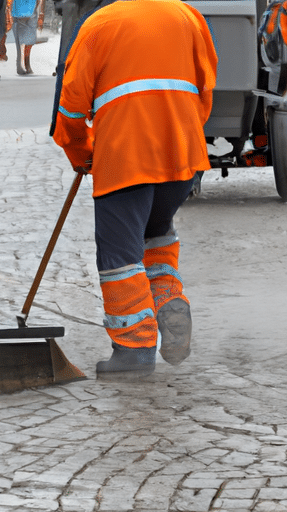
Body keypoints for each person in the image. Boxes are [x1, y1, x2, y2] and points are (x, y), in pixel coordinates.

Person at [52, 0, 217, 379]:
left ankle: (134, 347)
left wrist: (82, 152)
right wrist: (184, 135)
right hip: (181, 153)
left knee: (119, 254)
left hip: (126, 155)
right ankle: (171, 302)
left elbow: (73, 105)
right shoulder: (187, 15)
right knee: (156, 236)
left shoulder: (99, 25)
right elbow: (206, 86)